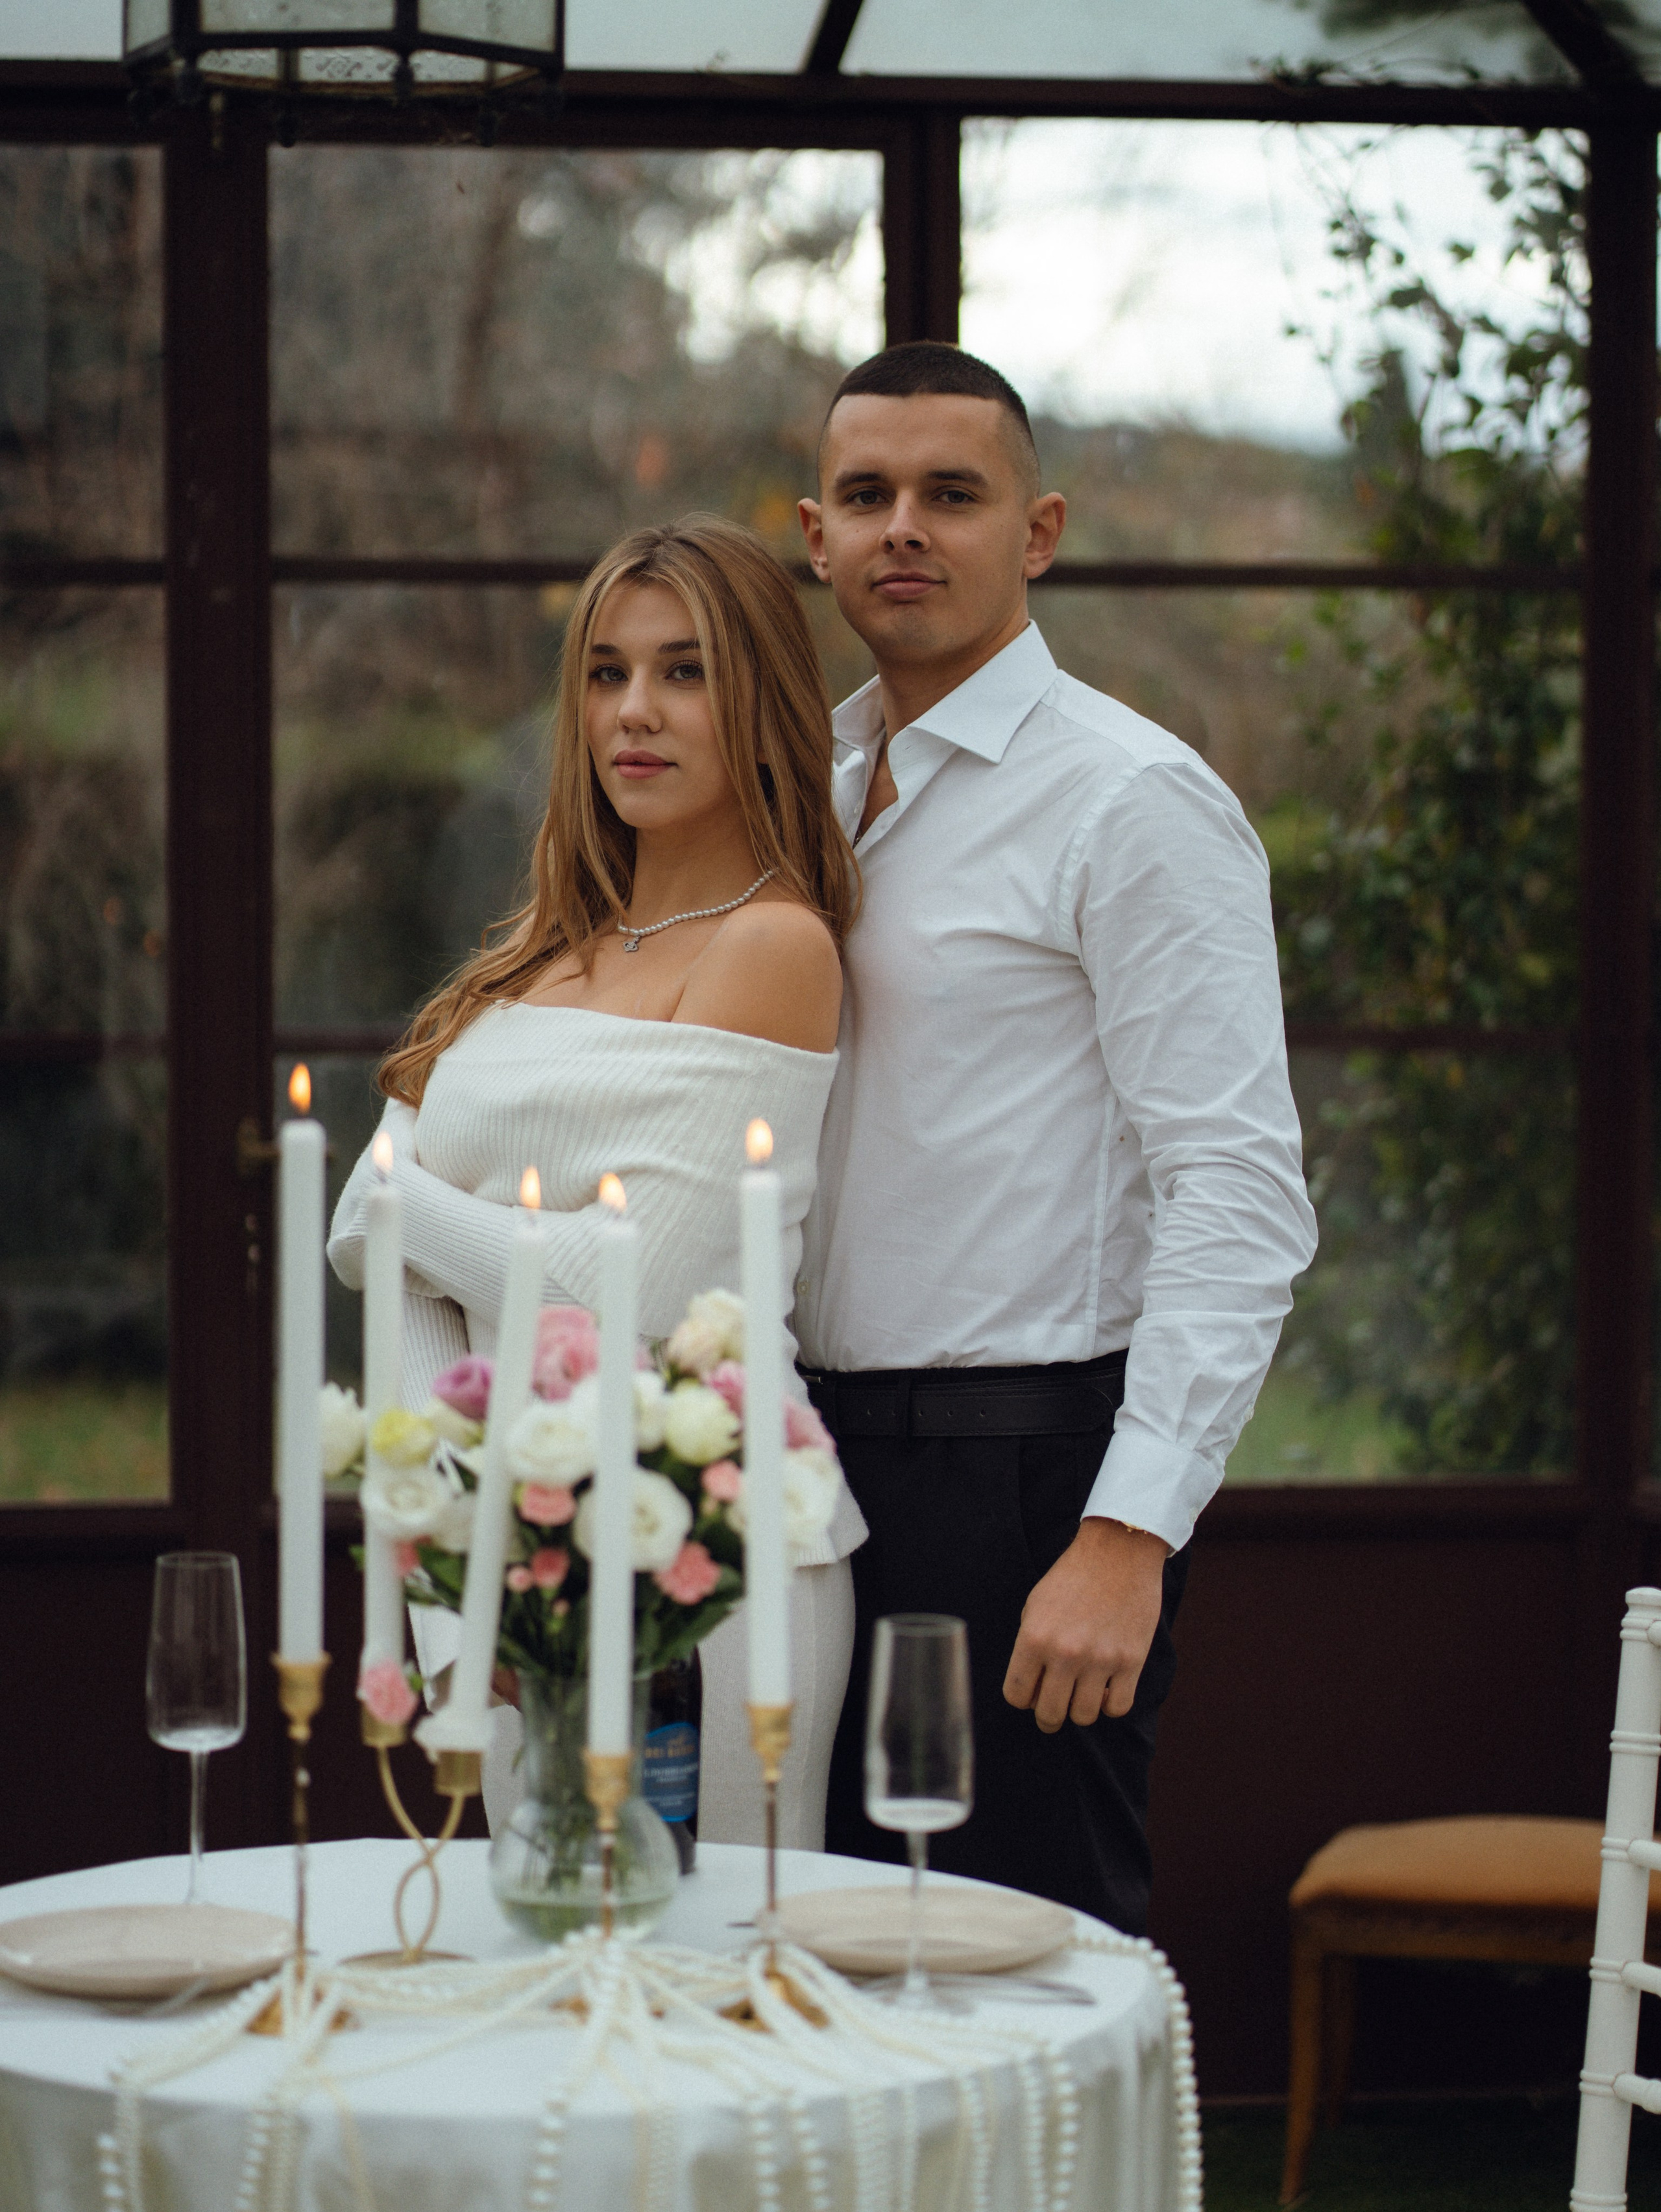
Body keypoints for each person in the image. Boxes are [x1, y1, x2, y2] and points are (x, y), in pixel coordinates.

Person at [794, 343, 1318, 1933]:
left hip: (1024, 1485)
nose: (904, 529)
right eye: (866, 495)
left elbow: (1235, 1190)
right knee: (814, 1961)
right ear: (812, 533)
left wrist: (1125, 1528)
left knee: (1017, 1966)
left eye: (951, 494)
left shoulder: (1131, 800)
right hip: (804, 1474)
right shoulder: (798, 785)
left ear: (1038, 530)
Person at [328, 515, 866, 1849]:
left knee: (714, 1996)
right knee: (533, 1989)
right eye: (606, 673)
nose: (637, 711)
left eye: (685, 672)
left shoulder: (772, 945)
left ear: (758, 704)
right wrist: (463, 1584)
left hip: (717, 1572)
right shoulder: (529, 957)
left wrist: (402, 1204)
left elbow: (628, 1291)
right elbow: (405, 1291)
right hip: (513, 1564)